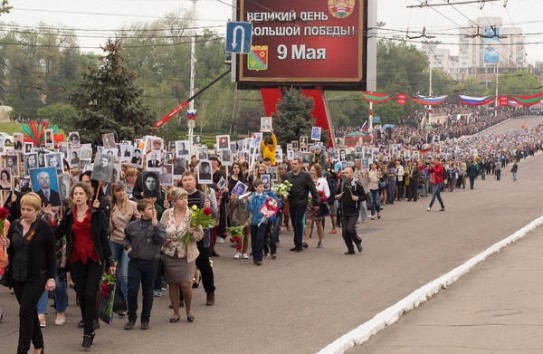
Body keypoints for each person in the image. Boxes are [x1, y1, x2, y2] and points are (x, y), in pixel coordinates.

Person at [54, 182, 114, 348]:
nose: (78, 196)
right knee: (81, 295)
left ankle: (88, 331)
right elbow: (57, 234)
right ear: (72, 197)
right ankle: (90, 324)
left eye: (81, 193)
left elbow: (103, 237)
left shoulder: (95, 213)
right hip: (76, 260)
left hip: (94, 258)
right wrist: (49, 217)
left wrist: (110, 260)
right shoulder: (68, 215)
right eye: (75, 194)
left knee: (89, 294)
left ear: (87, 196)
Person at [3, 194, 54, 354]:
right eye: (23, 208)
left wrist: (51, 277)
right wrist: (8, 244)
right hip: (17, 275)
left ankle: (22, 350)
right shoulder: (15, 226)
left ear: (37, 211)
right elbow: (12, 250)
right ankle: (39, 346)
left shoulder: (44, 228)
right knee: (30, 311)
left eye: (29, 210)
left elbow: (51, 255)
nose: (25, 212)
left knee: (25, 312)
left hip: (37, 275)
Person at [160, 187, 203, 323]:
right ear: (174, 201)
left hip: (186, 254)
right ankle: (176, 312)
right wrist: (164, 241)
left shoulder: (192, 215)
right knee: (173, 283)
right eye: (181, 199)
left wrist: (192, 234)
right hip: (170, 253)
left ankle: (189, 310)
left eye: (186, 198)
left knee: (185, 284)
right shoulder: (167, 213)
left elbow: (200, 235)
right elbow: (160, 231)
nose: (184, 201)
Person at [123, 198, 166, 330]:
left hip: (151, 262)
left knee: (148, 292)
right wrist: (128, 247)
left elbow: (162, 239)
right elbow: (126, 238)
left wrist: (156, 226)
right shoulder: (132, 226)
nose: (153, 211)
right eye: (149, 209)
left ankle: (145, 319)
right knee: (133, 290)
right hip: (135, 262)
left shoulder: (158, 224)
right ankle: (131, 318)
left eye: (153, 208)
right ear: (141, 212)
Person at [181, 171, 217, 306]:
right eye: (185, 180)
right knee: (182, 267)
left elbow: (213, 216)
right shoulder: (180, 196)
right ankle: (180, 297)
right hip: (183, 236)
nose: (187, 182)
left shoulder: (202, 196)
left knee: (204, 265)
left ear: (195, 182)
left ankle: (210, 292)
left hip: (201, 237)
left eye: (190, 179)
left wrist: (208, 208)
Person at [109, 182, 140, 306]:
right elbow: (108, 229)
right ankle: (117, 301)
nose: (121, 193)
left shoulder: (133, 205)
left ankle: (128, 302)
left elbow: (140, 222)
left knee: (125, 273)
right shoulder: (111, 206)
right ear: (114, 193)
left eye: (123, 190)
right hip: (114, 240)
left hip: (128, 241)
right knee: (114, 272)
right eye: (118, 191)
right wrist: (108, 218)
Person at [284, 158, 318, 252]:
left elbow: (312, 189)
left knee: (298, 222)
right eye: (292, 164)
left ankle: (298, 245)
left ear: (300, 165)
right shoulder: (288, 175)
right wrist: (284, 193)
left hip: (302, 202)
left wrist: (316, 202)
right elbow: (284, 187)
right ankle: (297, 244)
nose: (293, 165)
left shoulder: (306, 175)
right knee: (294, 224)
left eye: (295, 163)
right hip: (291, 202)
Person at [336, 166, 366, 255]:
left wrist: (357, 198)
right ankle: (351, 249)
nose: (344, 174)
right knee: (344, 233)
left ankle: (358, 241)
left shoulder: (357, 183)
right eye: (344, 172)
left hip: (354, 212)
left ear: (352, 173)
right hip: (344, 212)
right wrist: (337, 197)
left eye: (347, 172)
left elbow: (364, 196)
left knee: (350, 229)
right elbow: (335, 193)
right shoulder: (341, 182)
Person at [302, 164, 329, 249]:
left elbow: (327, 193)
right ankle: (305, 242)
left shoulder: (323, 180)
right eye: (311, 170)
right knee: (308, 222)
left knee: (318, 222)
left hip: (318, 204)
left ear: (317, 171)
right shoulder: (308, 180)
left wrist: (322, 198)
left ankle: (320, 241)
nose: (311, 171)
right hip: (309, 203)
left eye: (313, 170)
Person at [245, 179, 269, 265]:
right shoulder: (251, 197)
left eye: (263, 186)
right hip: (254, 221)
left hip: (263, 220)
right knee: (254, 239)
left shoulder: (266, 197)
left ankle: (259, 258)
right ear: (255, 188)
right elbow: (250, 209)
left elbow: (270, 206)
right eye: (260, 187)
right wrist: (248, 201)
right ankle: (255, 257)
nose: (262, 188)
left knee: (260, 238)